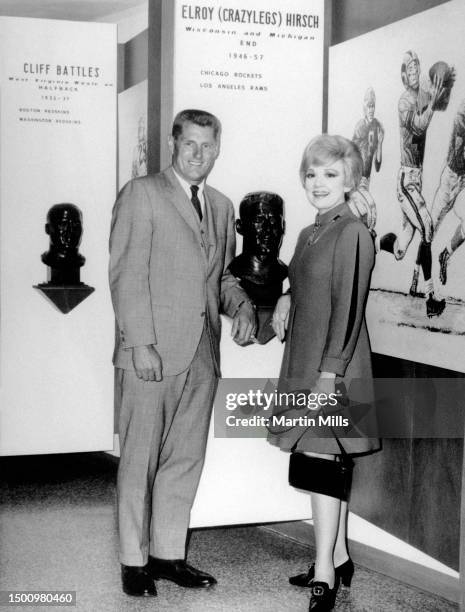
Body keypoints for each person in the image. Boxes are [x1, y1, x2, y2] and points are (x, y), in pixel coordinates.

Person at [109, 109, 256, 597]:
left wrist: (243, 309)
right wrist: (140, 343)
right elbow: (127, 274)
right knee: (139, 459)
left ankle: (168, 554)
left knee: (185, 458)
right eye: (190, 144)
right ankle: (134, 561)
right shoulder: (142, 193)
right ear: (173, 144)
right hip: (149, 353)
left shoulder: (220, 204)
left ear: (218, 149)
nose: (199, 154)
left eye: (208, 146)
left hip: (201, 355)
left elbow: (221, 278)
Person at [269, 135, 378, 611]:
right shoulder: (311, 231)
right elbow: (304, 278)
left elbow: (350, 307)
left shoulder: (353, 231)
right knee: (328, 461)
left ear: (351, 180)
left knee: (321, 464)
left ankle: (324, 574)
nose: (318, 182)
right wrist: (287, 295)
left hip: (334, 364)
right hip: (306, 359)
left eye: (331, 174)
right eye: (312, 173)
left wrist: (330, 375)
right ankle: (339, 554)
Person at [379, 50, 447, 317]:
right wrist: (432, 103)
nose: (416, 70)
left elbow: (437, 100)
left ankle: (376, 244)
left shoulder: (420, 95)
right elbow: (419, 127)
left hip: (415, 179)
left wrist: (441, 86)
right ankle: (431, 298)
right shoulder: (404, 101)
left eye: (418, 65)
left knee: (400, 250)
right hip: (407, 181)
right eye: (411, 67)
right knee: (428, 228)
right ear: (403, 74)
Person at [228, 191, 287, 344]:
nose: (267, 229)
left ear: (283, 227)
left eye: (274, 221)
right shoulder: (228, 278)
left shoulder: (291, 279)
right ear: (240, 227)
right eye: (259, 220)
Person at [431, 99, 465, 285]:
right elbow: (460, 155)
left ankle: (446, 254)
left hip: (464, 179)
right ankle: (415, 273)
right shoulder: (463, 111)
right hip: (452, 176)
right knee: (431, 229)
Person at [41, 203, 85, 285]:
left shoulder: (79, 261)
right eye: (63, 225)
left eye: (76, 225)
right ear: (47, 229)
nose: (70, 231)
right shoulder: (50, 261)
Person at [352, 87, 384, 190]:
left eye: (372, 106)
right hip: (357, 178)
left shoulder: (377, 126)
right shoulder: (360, 126)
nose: (371, 110)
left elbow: (377, 166)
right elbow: (351, 153)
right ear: (364, 108)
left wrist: (379, 144)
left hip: (366, 178)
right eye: (368, 106)